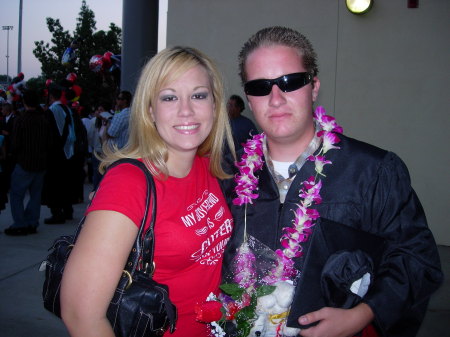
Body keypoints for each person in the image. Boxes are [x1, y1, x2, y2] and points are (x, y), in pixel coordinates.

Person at [220, 26, 443, 337]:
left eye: (290, 82)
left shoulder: (373, 172)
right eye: (260, 87)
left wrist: (365, 314)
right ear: (248, 97)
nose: (275, 98)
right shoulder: (228, 176)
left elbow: (417, 259)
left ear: (313, 87)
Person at [60, 46, 236, 336]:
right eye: (169, 97)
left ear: (215, 106)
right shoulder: (129, 182)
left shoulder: (210, 167)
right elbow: (80, 315)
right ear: (150, 110)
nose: (186, 110)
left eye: (199, 95)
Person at [4, 90, 51, 235]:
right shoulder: (44, 120)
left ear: (24, 103)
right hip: (41, 163)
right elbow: (49, 142)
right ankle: (32, 221)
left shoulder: (21, 120)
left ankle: (20, 223)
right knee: (35, 195)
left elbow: (16, 143)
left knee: (17, 195)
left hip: (24, 162)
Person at [41, 85, 77, 224]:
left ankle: (56, 213)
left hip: (55, 153)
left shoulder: (52, 111)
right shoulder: (66, 109)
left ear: (50, 97)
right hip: (68, 151)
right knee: (65, 182)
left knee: (54, 184)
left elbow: (49, 134)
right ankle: (68, 210)